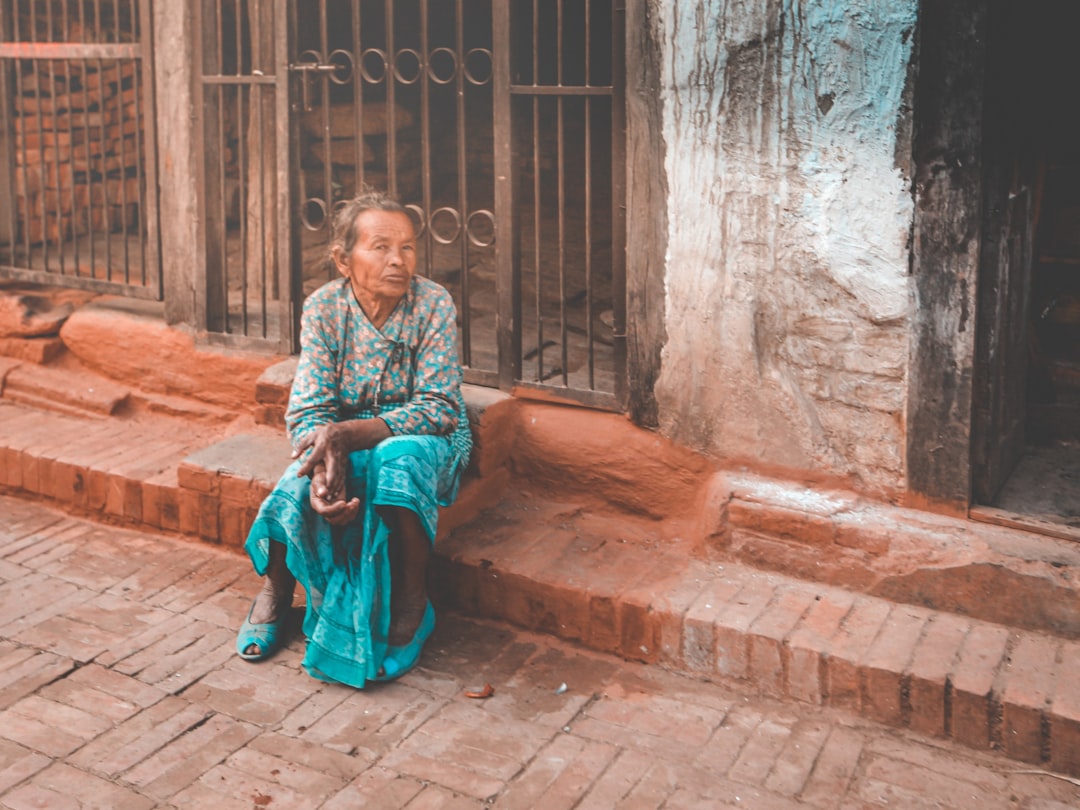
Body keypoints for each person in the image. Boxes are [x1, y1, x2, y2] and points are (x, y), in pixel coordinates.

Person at [235, 188, 471, 687]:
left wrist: (347, 435)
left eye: (407, 247)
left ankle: (412, 600)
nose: (398, 260)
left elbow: (439, 407)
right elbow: (309, 407)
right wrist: (325, 465)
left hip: (421, 432)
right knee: (298, 478)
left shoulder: (432, 304)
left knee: (399, 463)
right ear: (344, 259)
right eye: (380, 247)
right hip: (341, 431)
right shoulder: (324, 309)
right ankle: (278, 590)